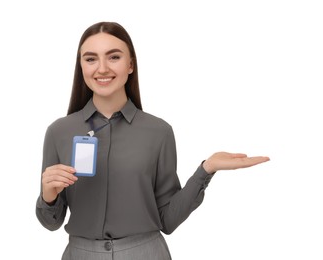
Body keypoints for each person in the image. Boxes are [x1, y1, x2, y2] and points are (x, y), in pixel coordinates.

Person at [35, 21, 270, 260]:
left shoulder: (159, 132)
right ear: (81, 66)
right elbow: (50, 223)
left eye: (114, 57)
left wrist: (206, 170)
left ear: (130, 65)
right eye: (91, 59)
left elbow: (167, 220)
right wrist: (48, 195)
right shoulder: (59, 132)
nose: (102, 68)